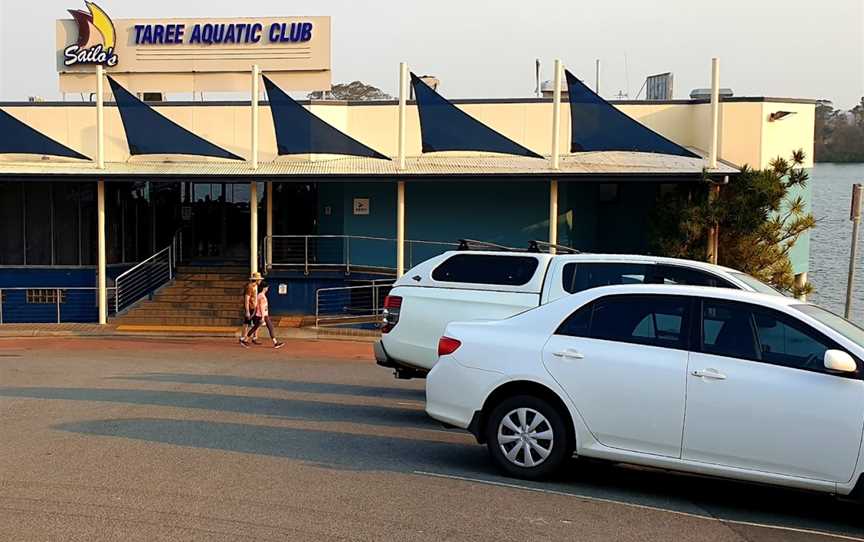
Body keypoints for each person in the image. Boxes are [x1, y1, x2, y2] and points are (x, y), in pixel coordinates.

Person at [244, 281, 284, 349]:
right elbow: (262, 307)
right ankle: (275, 343)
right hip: (263, 315)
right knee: (270, 327)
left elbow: (257, 306)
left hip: (260, 315)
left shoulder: (259, 295)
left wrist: (254, 314)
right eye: (267, 287)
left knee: (255, 327)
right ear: (264, 288)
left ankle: (245, 340)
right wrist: (263, 317)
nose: (268, 288)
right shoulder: (262, 296)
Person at [239, 273, 261, 348]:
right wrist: (247, 311)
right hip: (250, 307)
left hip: (254, 307)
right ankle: (243, 338)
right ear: (257, 280)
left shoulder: (256, 286)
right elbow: (246, 299)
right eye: (259, 280)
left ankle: (254, 337)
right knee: (247, 323)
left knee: (256, 322)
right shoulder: (249, 287)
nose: (260, 281)